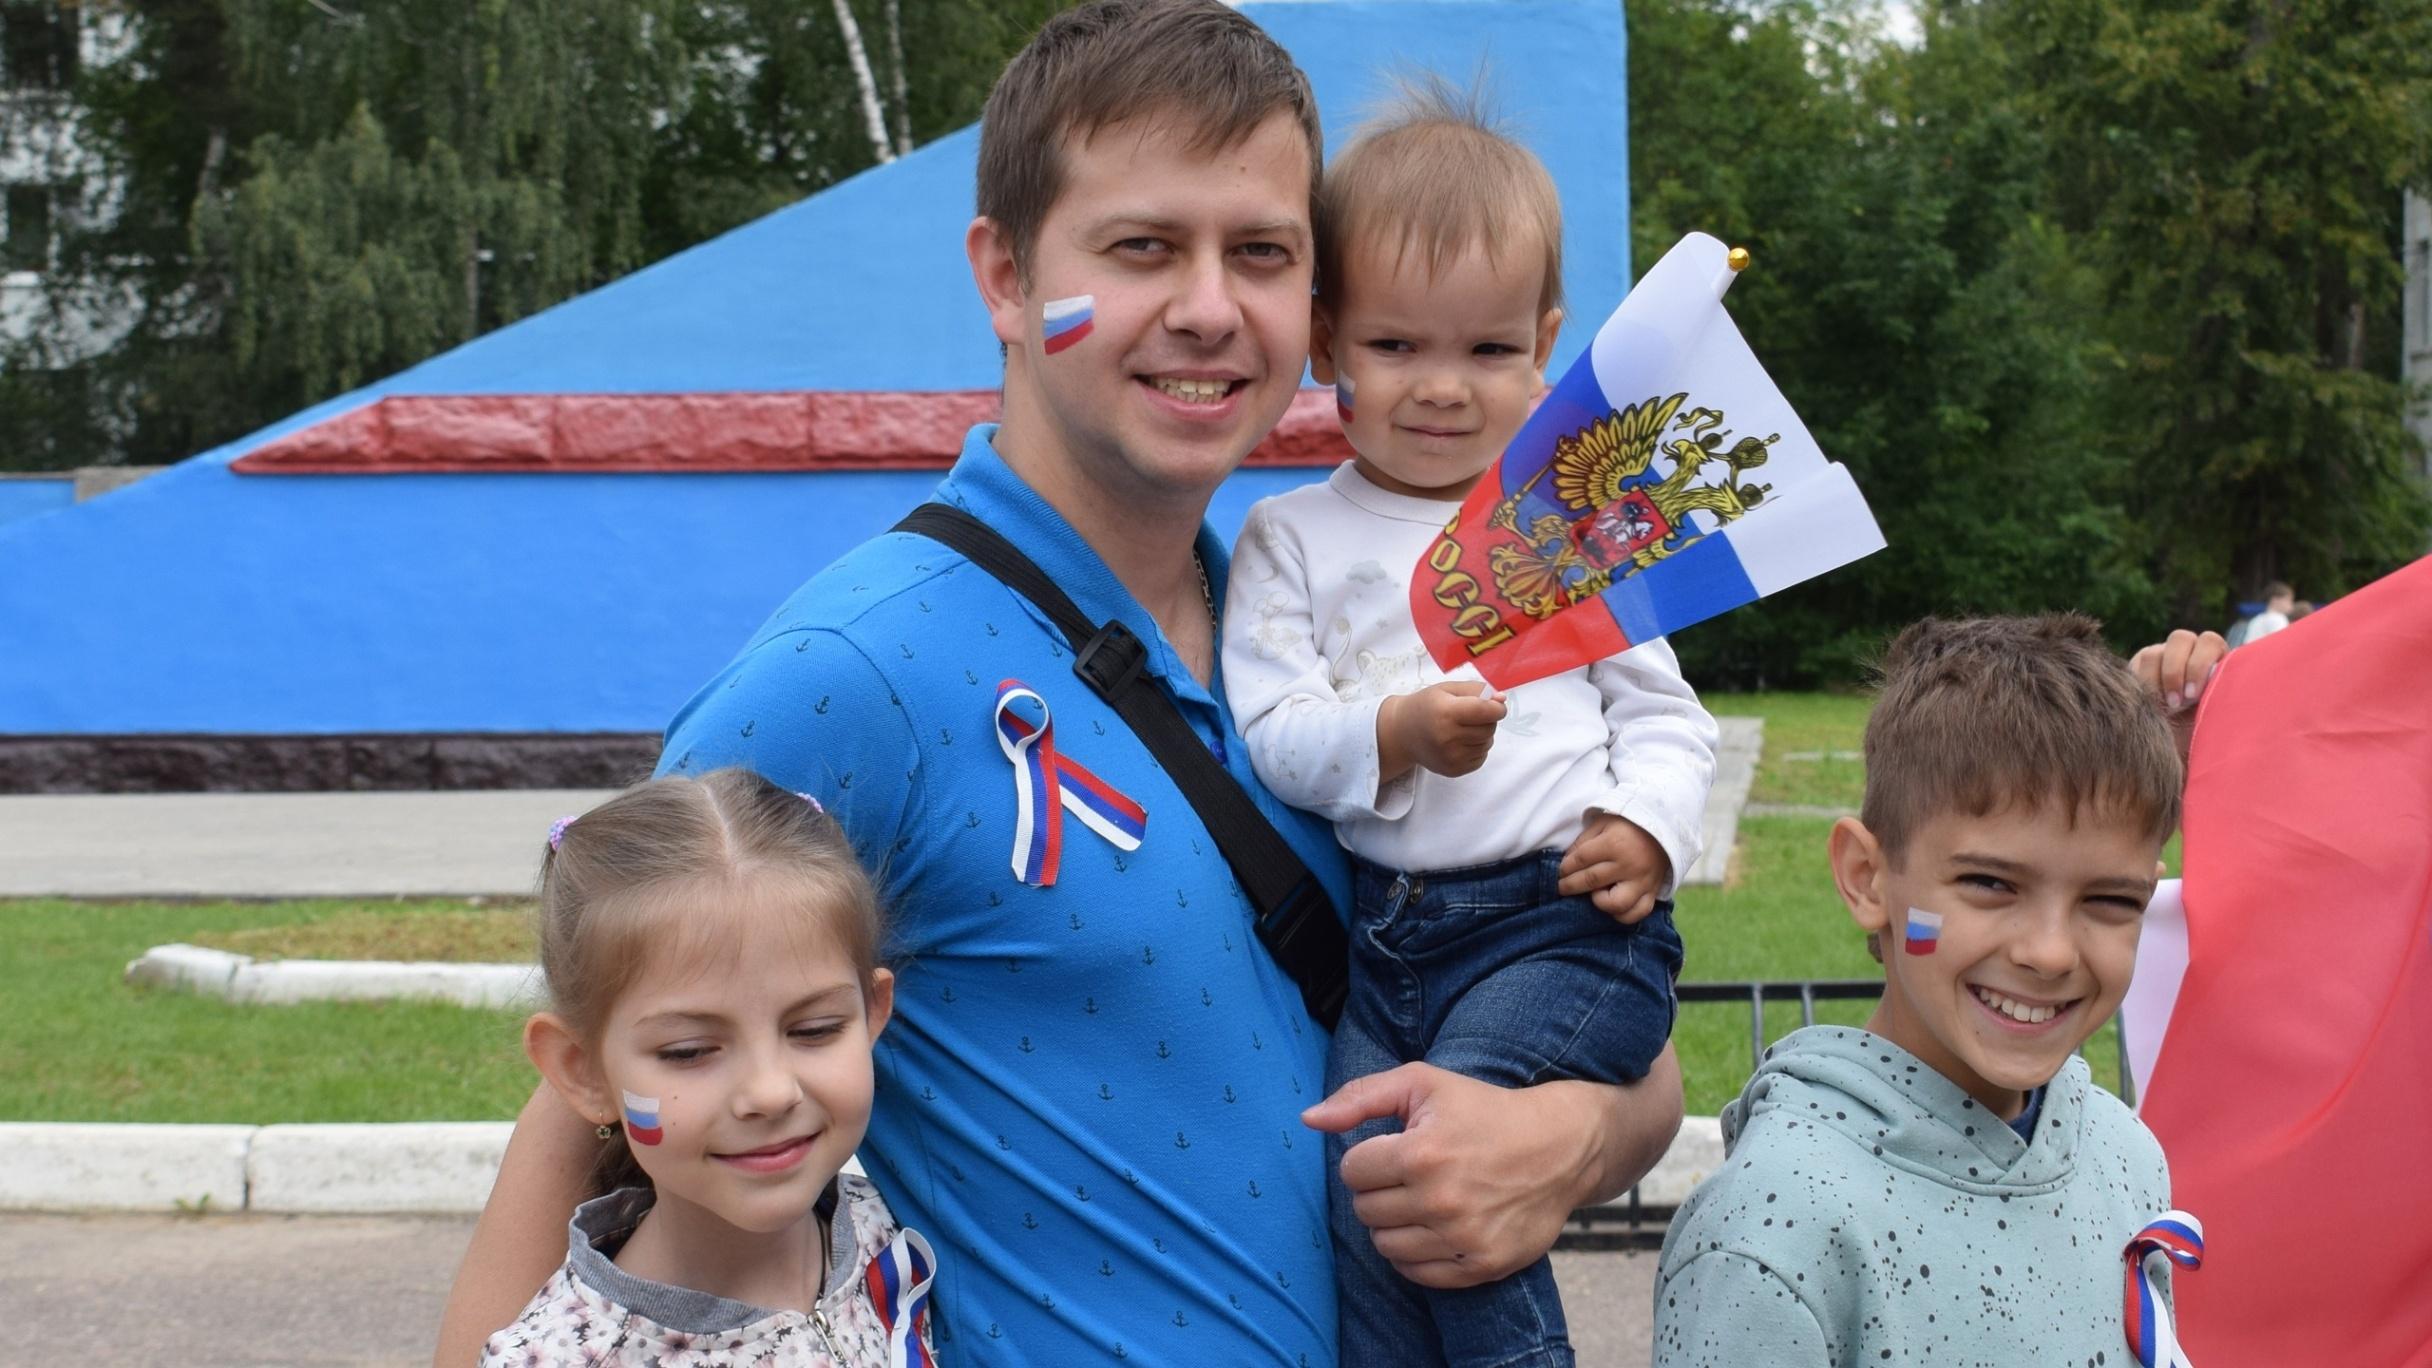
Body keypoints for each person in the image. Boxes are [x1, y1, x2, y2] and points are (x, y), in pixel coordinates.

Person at [433, 5, 1686, 1363]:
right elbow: (596, 1094)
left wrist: (1571, 1136)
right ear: (1006, 277)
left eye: (1261, 253)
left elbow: (1600, 1025)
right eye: (1143, 247)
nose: (1208, 308)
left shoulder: (1322, 641)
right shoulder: (853, 674)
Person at [1219, 81, 1715, 1367]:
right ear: (1325, 341)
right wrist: (1390, 733)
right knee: (1367, 1193)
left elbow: (1667, 720)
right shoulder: (1289, 536)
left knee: (1445, 1161)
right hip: (1388, 946)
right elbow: (1275, 730)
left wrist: (1644, 829)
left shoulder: (1565, 522)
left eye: (1488, 351)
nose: (1442, 388)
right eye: (1396, 345)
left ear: (1545, 347)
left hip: (1561, 927)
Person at [1653, 615, 2192, 1366]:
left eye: (2110, 900)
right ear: (1867, 878)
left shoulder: (2127, 1156)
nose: (2048, 952)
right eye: (1990, 884)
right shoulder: (1768, 1240)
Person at [481, 770, 934, 1367]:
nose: (770, 1092)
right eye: (689, 1051)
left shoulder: (891, 1232)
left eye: (815, 1029)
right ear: (582, 1071)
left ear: (873, 1013)